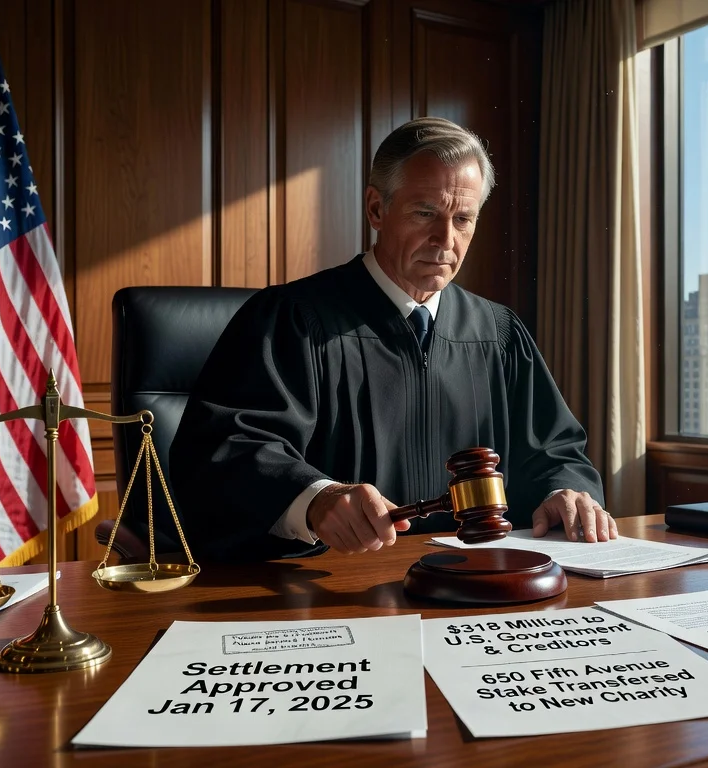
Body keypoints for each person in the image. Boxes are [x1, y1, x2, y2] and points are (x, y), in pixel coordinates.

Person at [171, 117, 615, 561]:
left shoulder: (498, 333)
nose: (446, 240)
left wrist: (566, 491)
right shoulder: (293, 319)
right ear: (376, 209)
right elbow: (226, 446)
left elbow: (555, 448)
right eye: (425, 213)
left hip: (475, 583)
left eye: (463, 219)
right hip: (331, 592)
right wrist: (315, 498)